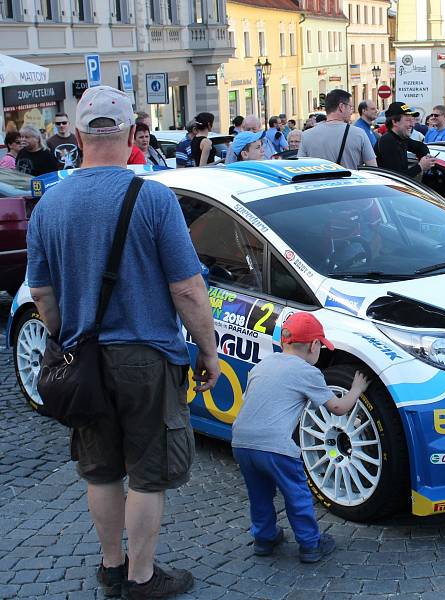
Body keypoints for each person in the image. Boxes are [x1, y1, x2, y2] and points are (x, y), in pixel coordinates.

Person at [26, 85, 219, 599]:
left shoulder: (51, 205)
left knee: (101, 468)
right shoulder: (153, 197)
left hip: (83, 357)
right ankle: (142, 577)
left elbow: (42, 294)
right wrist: (207, 350)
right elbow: (187, 289)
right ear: (133, 133)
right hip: (146, 356)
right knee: (148, 473)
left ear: (78, 135)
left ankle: (112, 566)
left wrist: (69, 333)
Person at [232, 312, 368, 562]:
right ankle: (310, 544)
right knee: (297, 494)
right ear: (314, 345)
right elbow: (337, 408)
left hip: (241, 442)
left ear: (284, 342)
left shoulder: (262, 365)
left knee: (259, 494)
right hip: (276, 447)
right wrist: (356, 390)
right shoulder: (308, 371)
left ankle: (264, 538)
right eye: (321, 347)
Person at [298, 89, 377, 170]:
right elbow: (373, 169)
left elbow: (300, 168)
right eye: (350, 107)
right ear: (341, 107)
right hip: (350, 182)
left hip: (317, 182)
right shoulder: (359, 134)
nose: (351, 112)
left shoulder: (306, 135)